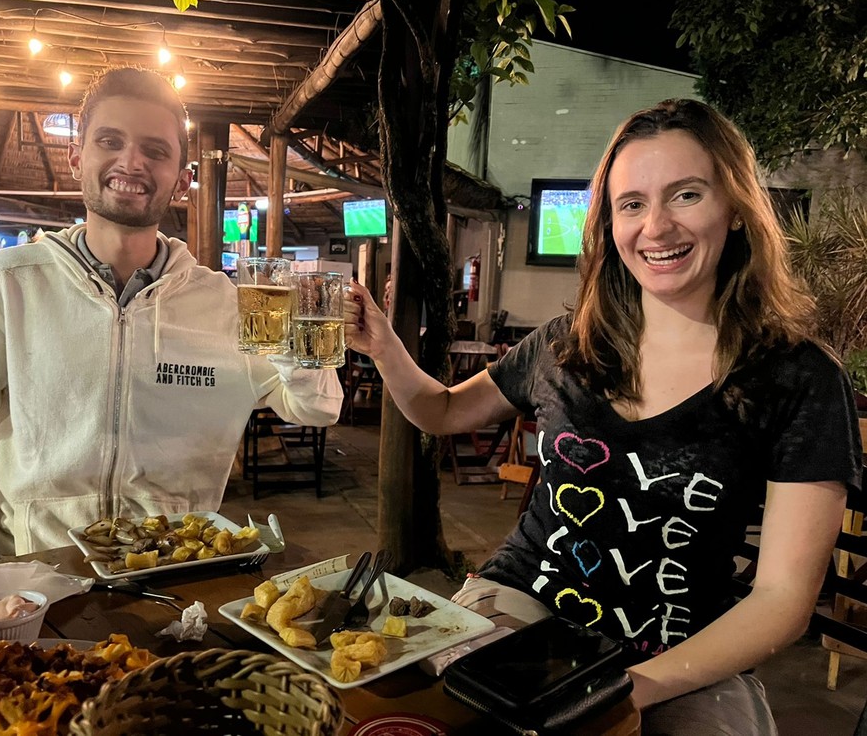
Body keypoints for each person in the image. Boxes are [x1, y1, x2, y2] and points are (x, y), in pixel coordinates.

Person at [343, 99, 862, 734]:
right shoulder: (568, 341)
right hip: (523, 598)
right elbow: (442, 411)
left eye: (687, 195)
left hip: (679, 650)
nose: (657, 227)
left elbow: (783, 601)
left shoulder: (799, 377)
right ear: (609, 224)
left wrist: (618, 690)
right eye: (633, 204)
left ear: (734, 209)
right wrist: (384, 347)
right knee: (414, 716)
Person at [0, 66, 342, 564]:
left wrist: (305, 339)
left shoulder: (223, 302)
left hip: (181, 572)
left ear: (182, 178)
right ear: (75, 156)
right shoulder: (8, 282)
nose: (132, 162)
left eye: (156, 150)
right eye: (110, 140)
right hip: (36, 575)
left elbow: (314, 408)